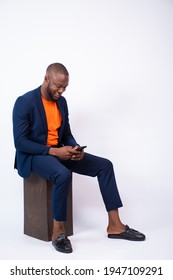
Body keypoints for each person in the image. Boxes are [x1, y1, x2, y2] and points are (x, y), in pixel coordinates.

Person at [12, 62, 145, 254]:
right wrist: (54, 151)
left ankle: (115, 225)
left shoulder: (61, 102)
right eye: (58, 86)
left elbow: (65, 133)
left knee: (105, 166)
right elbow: (20, 142)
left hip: (59, 150)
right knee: (63, 174)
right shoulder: (24, 102)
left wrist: (74, 147)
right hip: (33, 155)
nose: (61, 91)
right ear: (46, 79)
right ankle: (58, 232)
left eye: (65, 87)